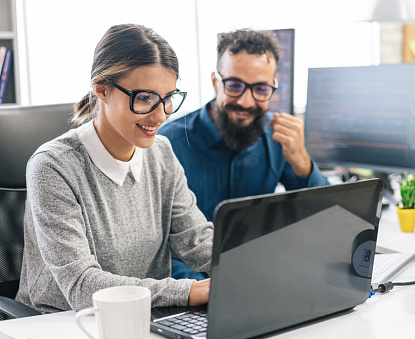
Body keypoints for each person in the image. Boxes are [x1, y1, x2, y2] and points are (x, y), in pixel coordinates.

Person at [16, 24, 213, 314]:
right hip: (65, 323)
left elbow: (197, 240)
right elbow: (82, 285)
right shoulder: (52, 166)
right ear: (102, 90)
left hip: (145, 318)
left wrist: (252, 268)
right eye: (145, 98)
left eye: (168, 98)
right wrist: (187, 291)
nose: (160, 115)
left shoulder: (162, 154)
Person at [158, 28, 330, 280]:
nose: (247, 102)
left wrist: (303, 162)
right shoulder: (169, 142)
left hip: (259, 278)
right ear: (216, 83)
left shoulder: (277, 137)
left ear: (273, 87)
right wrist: (211, 289)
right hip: (190, 291)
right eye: (235, 86)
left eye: (260, 89)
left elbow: (325, 218)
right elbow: (158, 250)